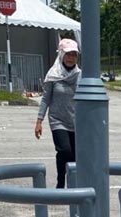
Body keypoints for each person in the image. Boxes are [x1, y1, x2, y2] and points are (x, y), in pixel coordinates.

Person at [35, 38, 80, 189]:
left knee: (74, 156)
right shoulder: (53, 75)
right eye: (68, 54)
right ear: (61, 55)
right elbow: (45, 99)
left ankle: (73, 184)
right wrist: (39, 121)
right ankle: (60, 182)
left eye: (74, 54)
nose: (71, 58)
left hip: (75, 122)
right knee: (64, 150)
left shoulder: (79, 75)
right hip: (57, 120)